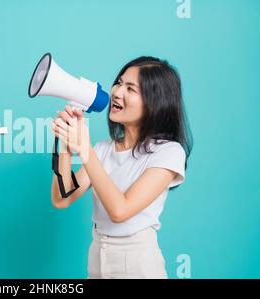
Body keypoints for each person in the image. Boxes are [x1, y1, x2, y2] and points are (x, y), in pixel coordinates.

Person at [50, 56, 193, 279]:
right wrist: (68, 147)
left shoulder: (169, 152)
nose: (117, 92)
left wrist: (85, 150)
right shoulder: (103, 150)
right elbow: (62, 198)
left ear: (154, 102)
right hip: (98, 256)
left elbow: (120, 211)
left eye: (130, 89)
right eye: (118, 82)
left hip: (138, 261)